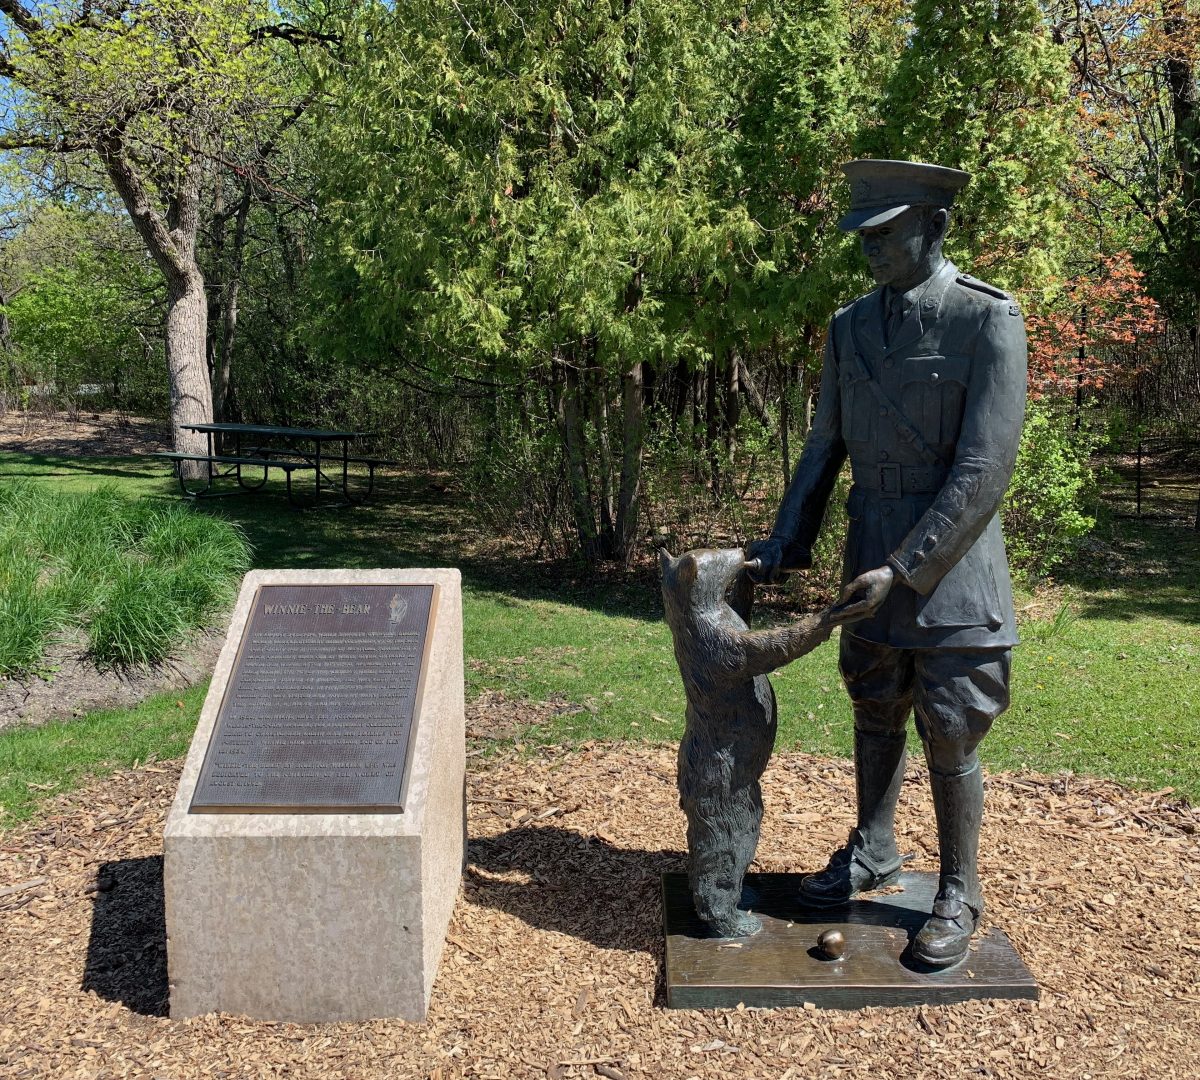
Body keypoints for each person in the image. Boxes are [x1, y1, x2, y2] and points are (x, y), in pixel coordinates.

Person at [748, 159, 1027, 968]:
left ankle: (959, 889)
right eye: (862, 238)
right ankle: (872, 847)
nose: (870, 252)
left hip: (952, 567)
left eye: (885, 234)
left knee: (951, 726)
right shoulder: (850, 328)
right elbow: (824, 443)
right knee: (874, 705)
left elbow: (984, 469)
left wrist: (907, 568)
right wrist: (786, 540)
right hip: (868, 546)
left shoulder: (986, 320)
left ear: (934, 226)